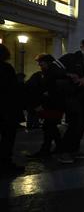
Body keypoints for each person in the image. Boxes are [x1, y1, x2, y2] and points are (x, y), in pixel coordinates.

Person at [25, 54, 68, 159]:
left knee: (49, 127)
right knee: (50, 127)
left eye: (41, 62)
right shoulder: (49, 74)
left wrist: (40, 101)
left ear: (47, 62)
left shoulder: (50, 75)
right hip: (53, 105)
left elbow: (50, 91)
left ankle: (47, 149)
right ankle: (58, 148)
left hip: (51, 106)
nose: (39, 64)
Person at [0, 44, 24, 177]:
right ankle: (5, 163)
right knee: (7, 138)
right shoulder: (6, 68)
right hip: (6, 110)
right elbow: (13, 90)